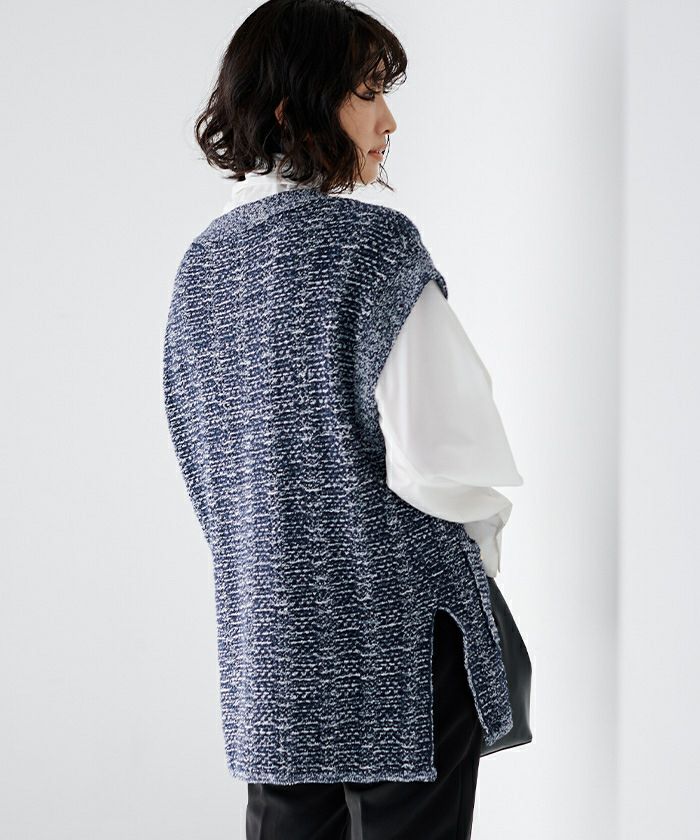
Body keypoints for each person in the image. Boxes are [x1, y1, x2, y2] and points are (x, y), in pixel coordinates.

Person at [162, 1, 523, 837]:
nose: (388, 120)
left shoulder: (202, 269)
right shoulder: (375, 247)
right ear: (295, 111)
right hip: (399, 638)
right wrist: (484, 541)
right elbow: (447, 457)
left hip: (272, 644)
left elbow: (205, 465)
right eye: (367, 94)